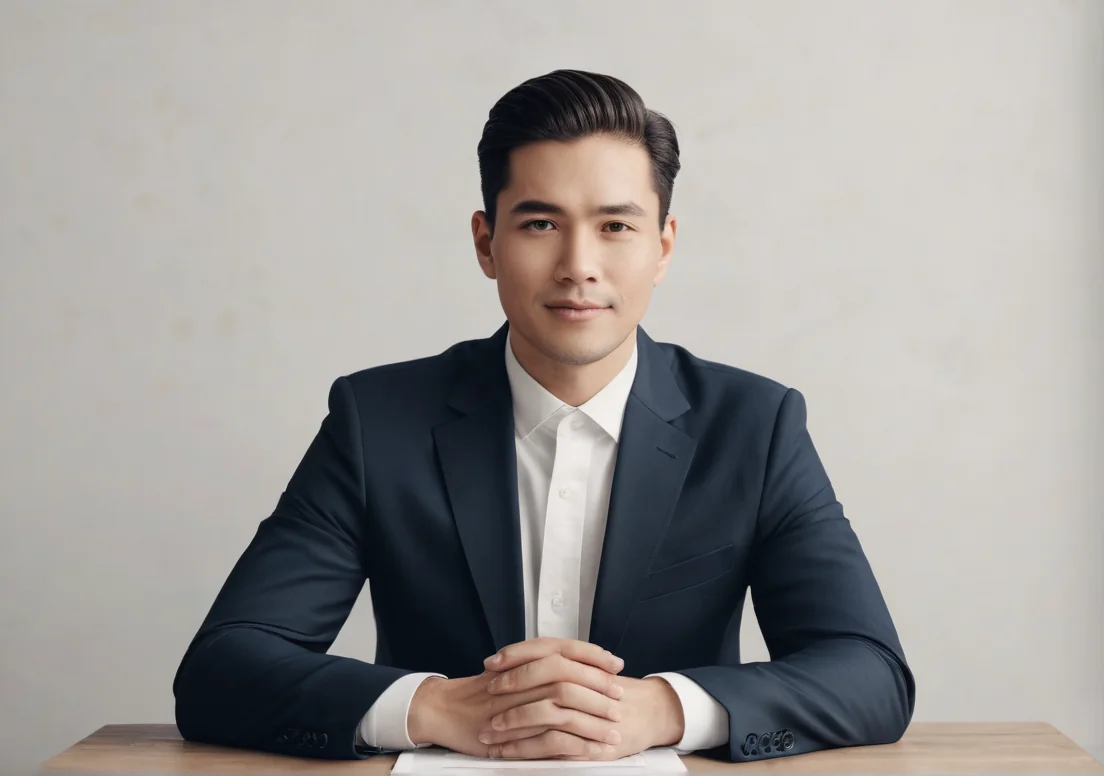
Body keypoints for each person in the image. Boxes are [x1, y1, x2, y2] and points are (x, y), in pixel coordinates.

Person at [172, 69, 915, 763]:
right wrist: (432, 707)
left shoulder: (753, 425)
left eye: (616, 227)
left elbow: (871, 672)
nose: (578, 265)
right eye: (539, 224)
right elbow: (222, 667)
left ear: (663, 247)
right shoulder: (377, 422)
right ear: (485, 243)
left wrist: (661, 709)